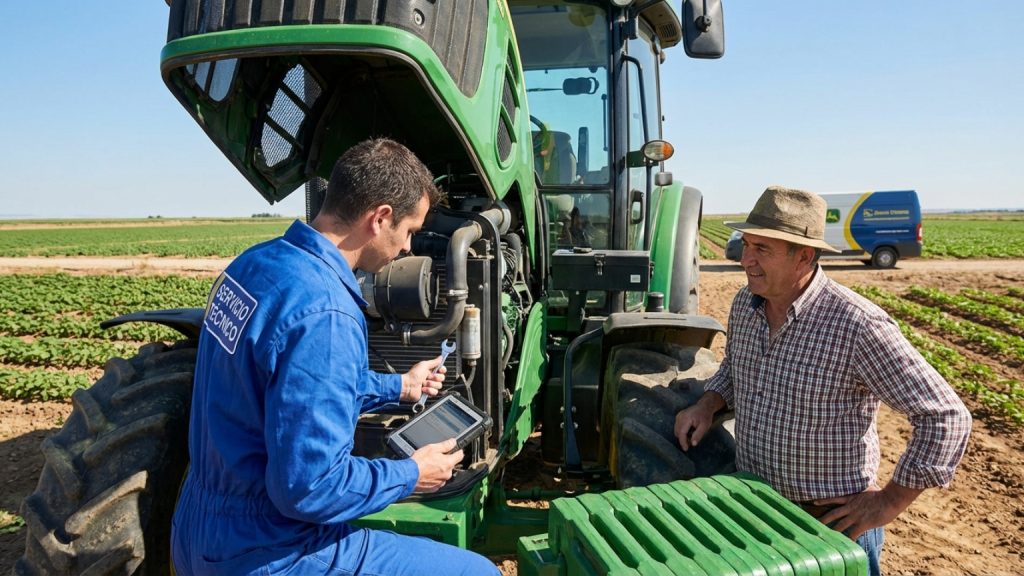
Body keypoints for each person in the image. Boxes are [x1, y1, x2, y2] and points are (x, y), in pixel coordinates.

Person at [171, 138, 500, 575]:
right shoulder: (327, 312)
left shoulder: (253, 265)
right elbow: (309, 489)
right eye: (409, 232)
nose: (407, 249)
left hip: (195, 530)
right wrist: (410, 474)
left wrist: (399, 387)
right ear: (380, 218)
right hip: (272, 550)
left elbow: (287, 386)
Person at [674, 186, 971, 575]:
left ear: (805, 256)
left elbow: (945, 416)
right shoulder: (746, 307)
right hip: (757, 512)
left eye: (762, 249)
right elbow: (735, 367)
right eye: (747, 245)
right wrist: (708, 403)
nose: (746, 260)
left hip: (830, 526)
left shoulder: (857, 325)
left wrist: (888, 502)